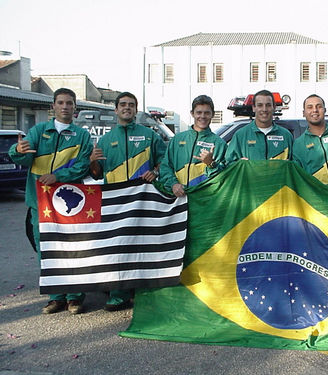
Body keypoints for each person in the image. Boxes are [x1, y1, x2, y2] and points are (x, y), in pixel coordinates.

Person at [8, 88, 93, 315]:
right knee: (46, 250)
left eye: (69, 103)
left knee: (73, 250)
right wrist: (16, 150)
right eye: (61, 103)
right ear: (53, 107)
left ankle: (75, 298)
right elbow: (24, 156)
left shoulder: (81, 136)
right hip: (40, 205)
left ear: (75, 109)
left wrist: (58, 177)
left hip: (71, 205)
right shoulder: (37, 131)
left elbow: (83, 165)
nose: (65, 107)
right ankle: (56, 297)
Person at [89, 91, 166, 311]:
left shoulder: (149, 135)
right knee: (117, 248)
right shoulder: (105, 139)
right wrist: (92, 161)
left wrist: (155, 171)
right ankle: (118, 294)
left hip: (143, 201)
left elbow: (164, 161)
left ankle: (144, 293)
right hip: (115, 202)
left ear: (136, 109)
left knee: (144, 246)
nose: (127, 108)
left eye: (131, 105)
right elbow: (96, 173)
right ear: (116, 109)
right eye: (123, 104)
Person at [159, 95, 227, 197]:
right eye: (199, 112)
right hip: (178, 200)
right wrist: (173, 184)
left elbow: (226, 176)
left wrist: (211, 164)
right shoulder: (178, 139)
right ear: (192, 113)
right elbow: (165, 166)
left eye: (207, 113)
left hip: (205, 201)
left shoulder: (220, 144)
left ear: (213, 114)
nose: (203, 116)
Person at [225, 90, 293, 163]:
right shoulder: (241, 135)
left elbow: (295, 165)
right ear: (254, 108)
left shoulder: (286, 136)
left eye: (268, 105)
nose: (264, 109)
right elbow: (229, 165)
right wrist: (238, 164)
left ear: (274, 107)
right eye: (260, 105)